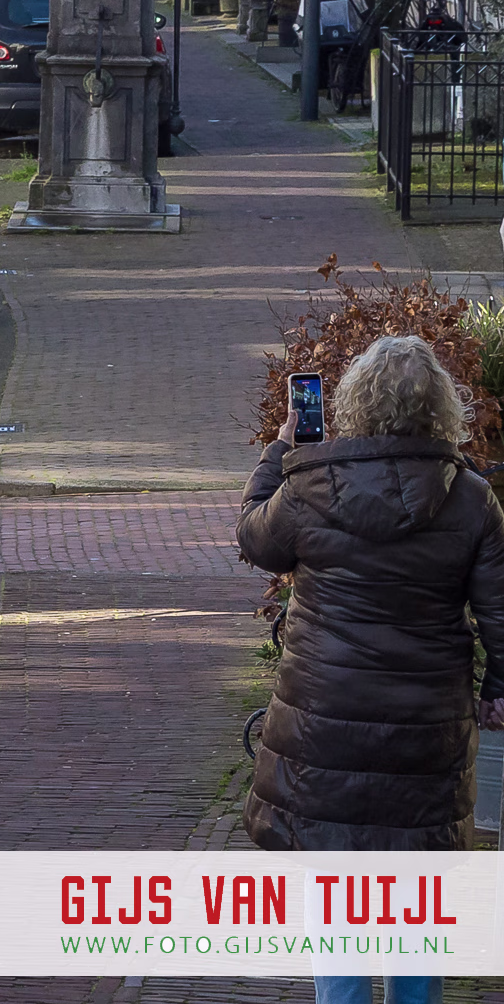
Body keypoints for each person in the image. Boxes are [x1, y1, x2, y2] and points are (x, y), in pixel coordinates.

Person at [239, 334, 504, 1004]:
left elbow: (254, 539)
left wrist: (279, 450)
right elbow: (500, 612)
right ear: (442, 407)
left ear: (356, 402)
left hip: (325, 730)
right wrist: (497, 688)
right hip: (426, 732)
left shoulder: (309, 487)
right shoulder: (472, 500)